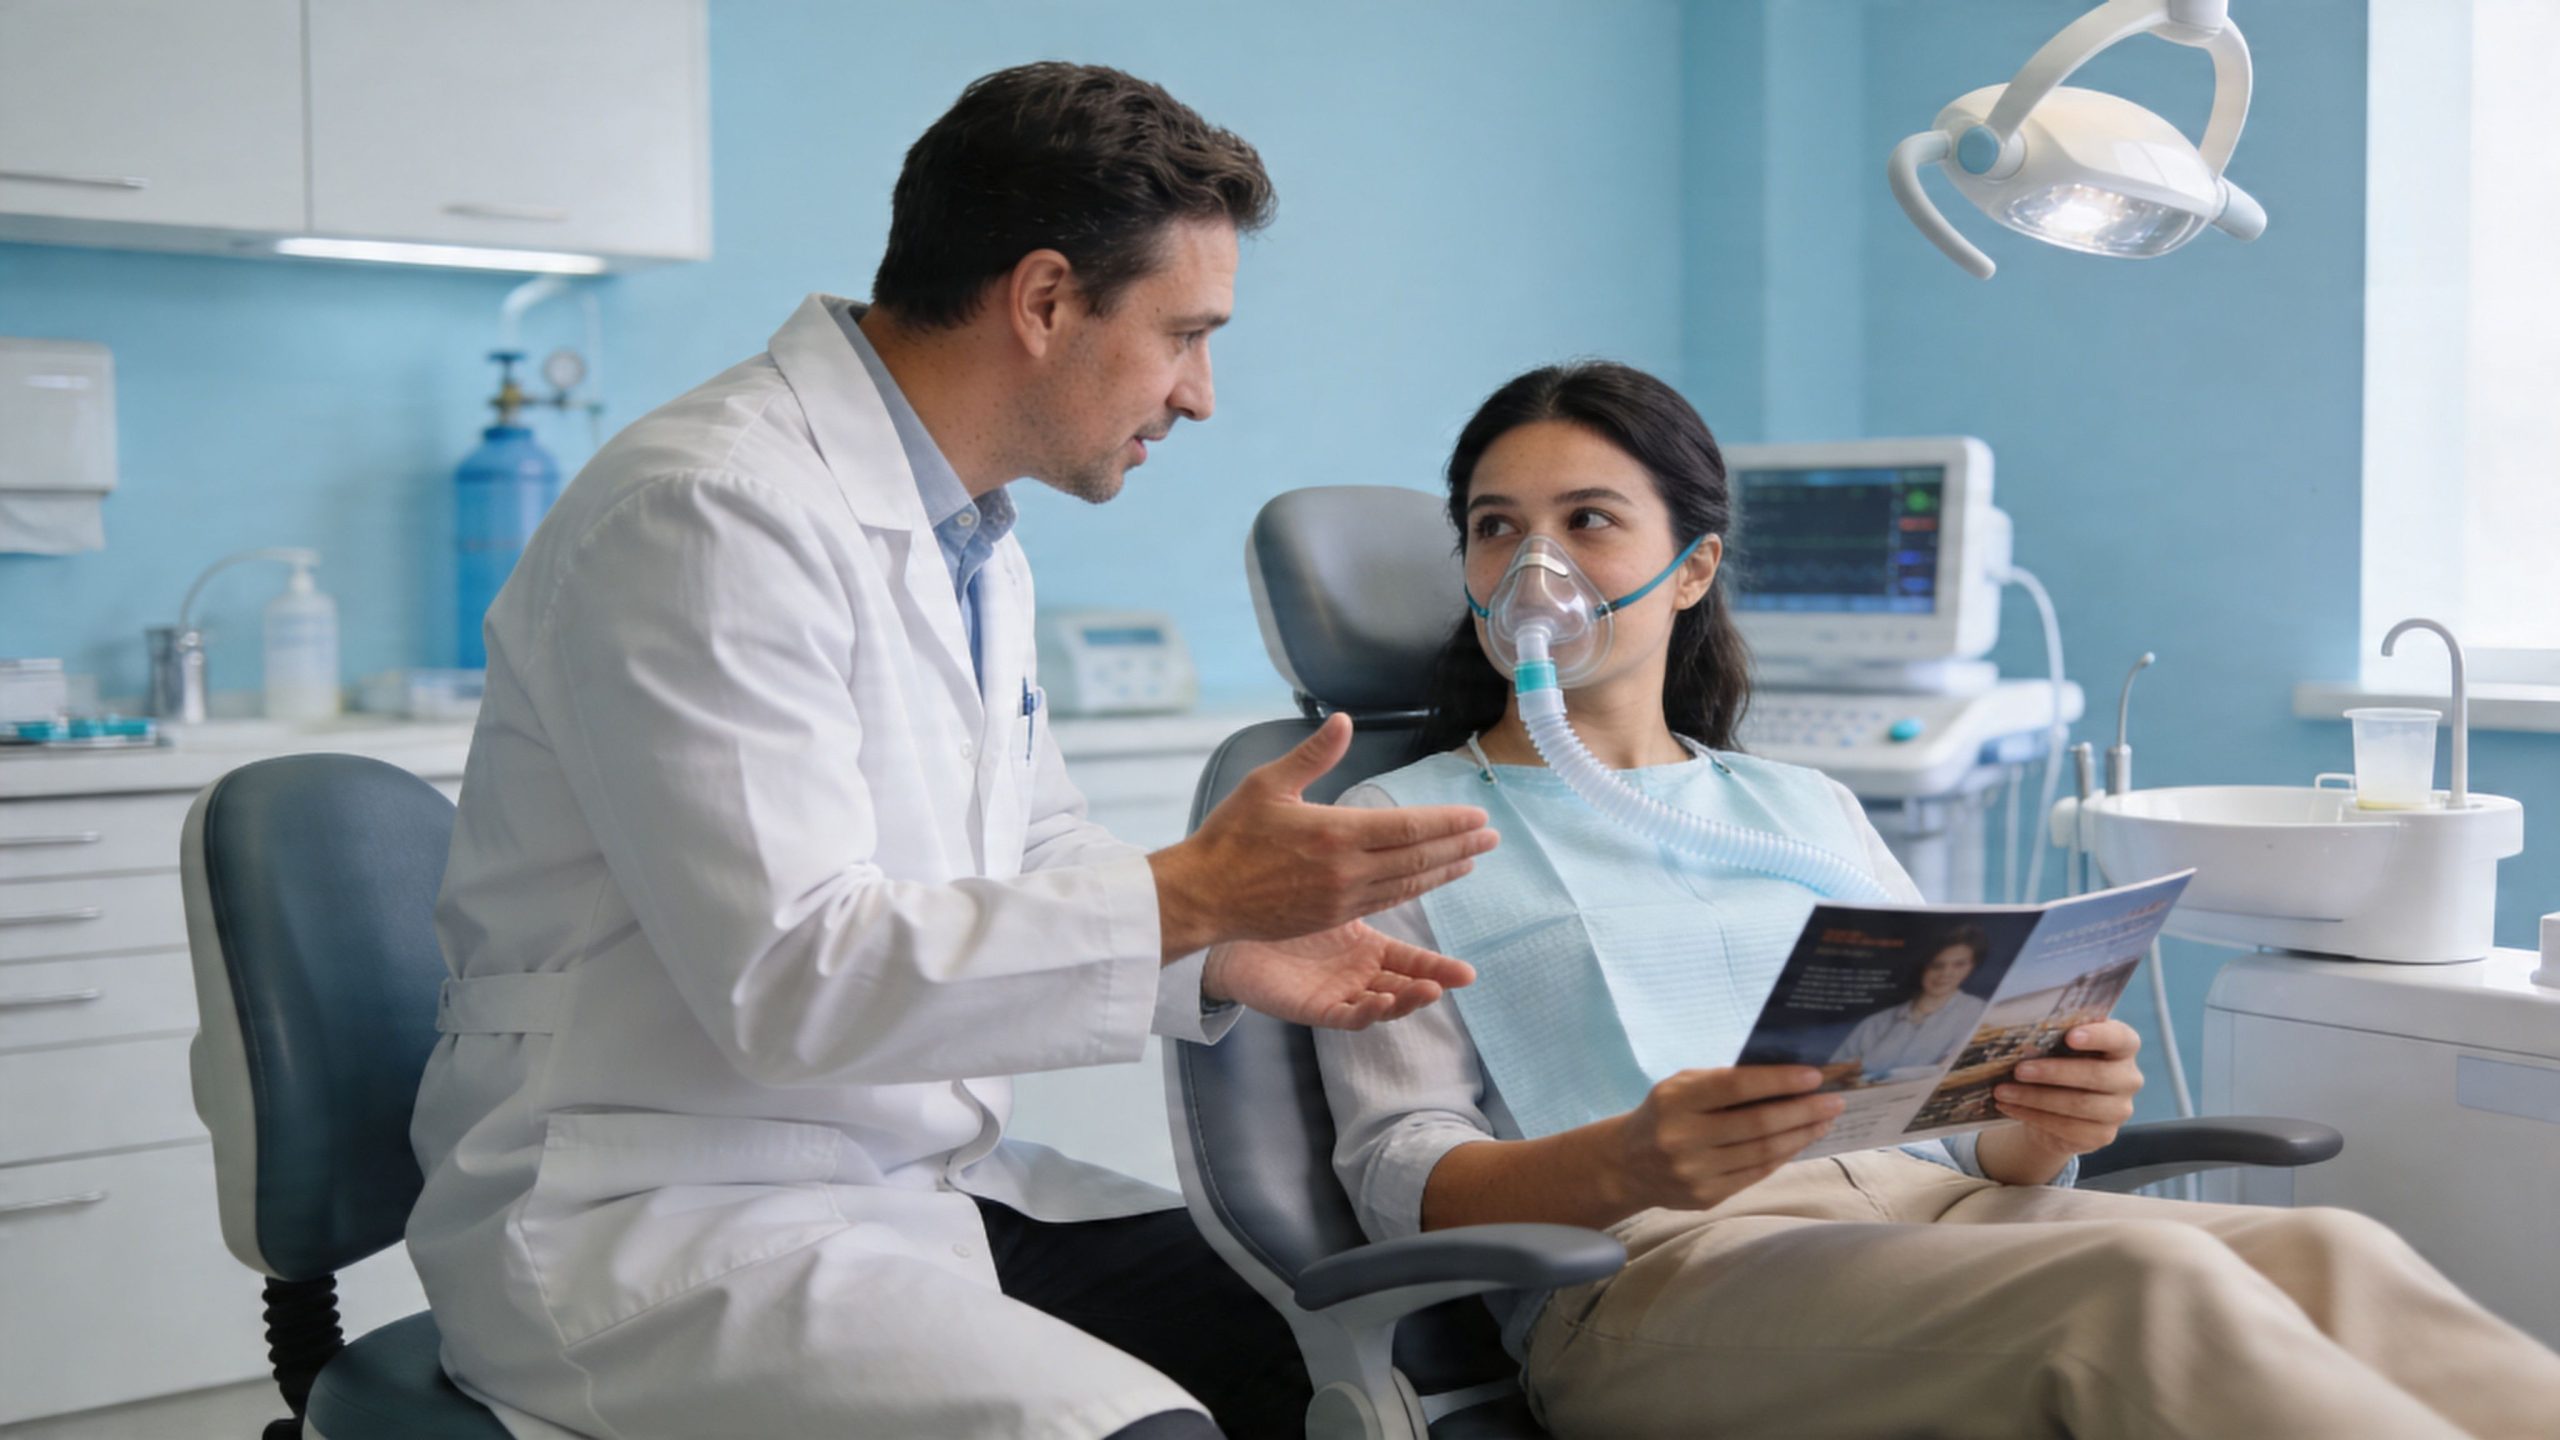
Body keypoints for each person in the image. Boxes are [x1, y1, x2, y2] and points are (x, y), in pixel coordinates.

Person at [408, 63, 1493, 1440]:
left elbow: (1029, 848)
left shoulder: (968, 530)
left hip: (892, 1186)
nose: (1201, 394)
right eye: (1183, 334)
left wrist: (1217, 948)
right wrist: (1199, 893)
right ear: (1043, 301)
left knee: (1342, 1346)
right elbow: (795, 978)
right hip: (663, 1215)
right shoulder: (711, 513)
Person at [1315, 360, 2560, 1439]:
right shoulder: (1384, 834)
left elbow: (1954, 1121)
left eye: (1588, 521)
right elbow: (1397, 1172)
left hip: (1942, 1219)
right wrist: (1628, 1156)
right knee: (2143, 1285)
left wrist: (2044, 1116)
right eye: (1493, 527)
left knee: (2330, 1253)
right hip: (1658, 1282)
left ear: (1691, 570)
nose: (1536, 568)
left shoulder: (1805, 809)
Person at [1827, 927, 1990, 1076]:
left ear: (1972, 966)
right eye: (1936, 965)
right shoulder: (1875, 1023)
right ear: (1921, 967)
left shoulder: (1980, 1014)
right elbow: (1832, 1075)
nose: (1945, 973)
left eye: (1959, 964)